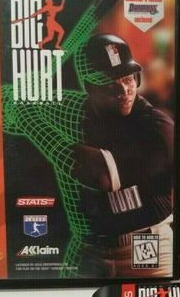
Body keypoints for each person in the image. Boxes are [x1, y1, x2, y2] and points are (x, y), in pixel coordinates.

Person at [71, 34, 174, 277]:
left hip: (144, 242)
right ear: (90, 87)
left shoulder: (157, 126)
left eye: (128, 79)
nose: (123, 91)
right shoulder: (78, 118)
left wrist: (52, 143)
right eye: (110, 83)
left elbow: (100, 175)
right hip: (91, 250)